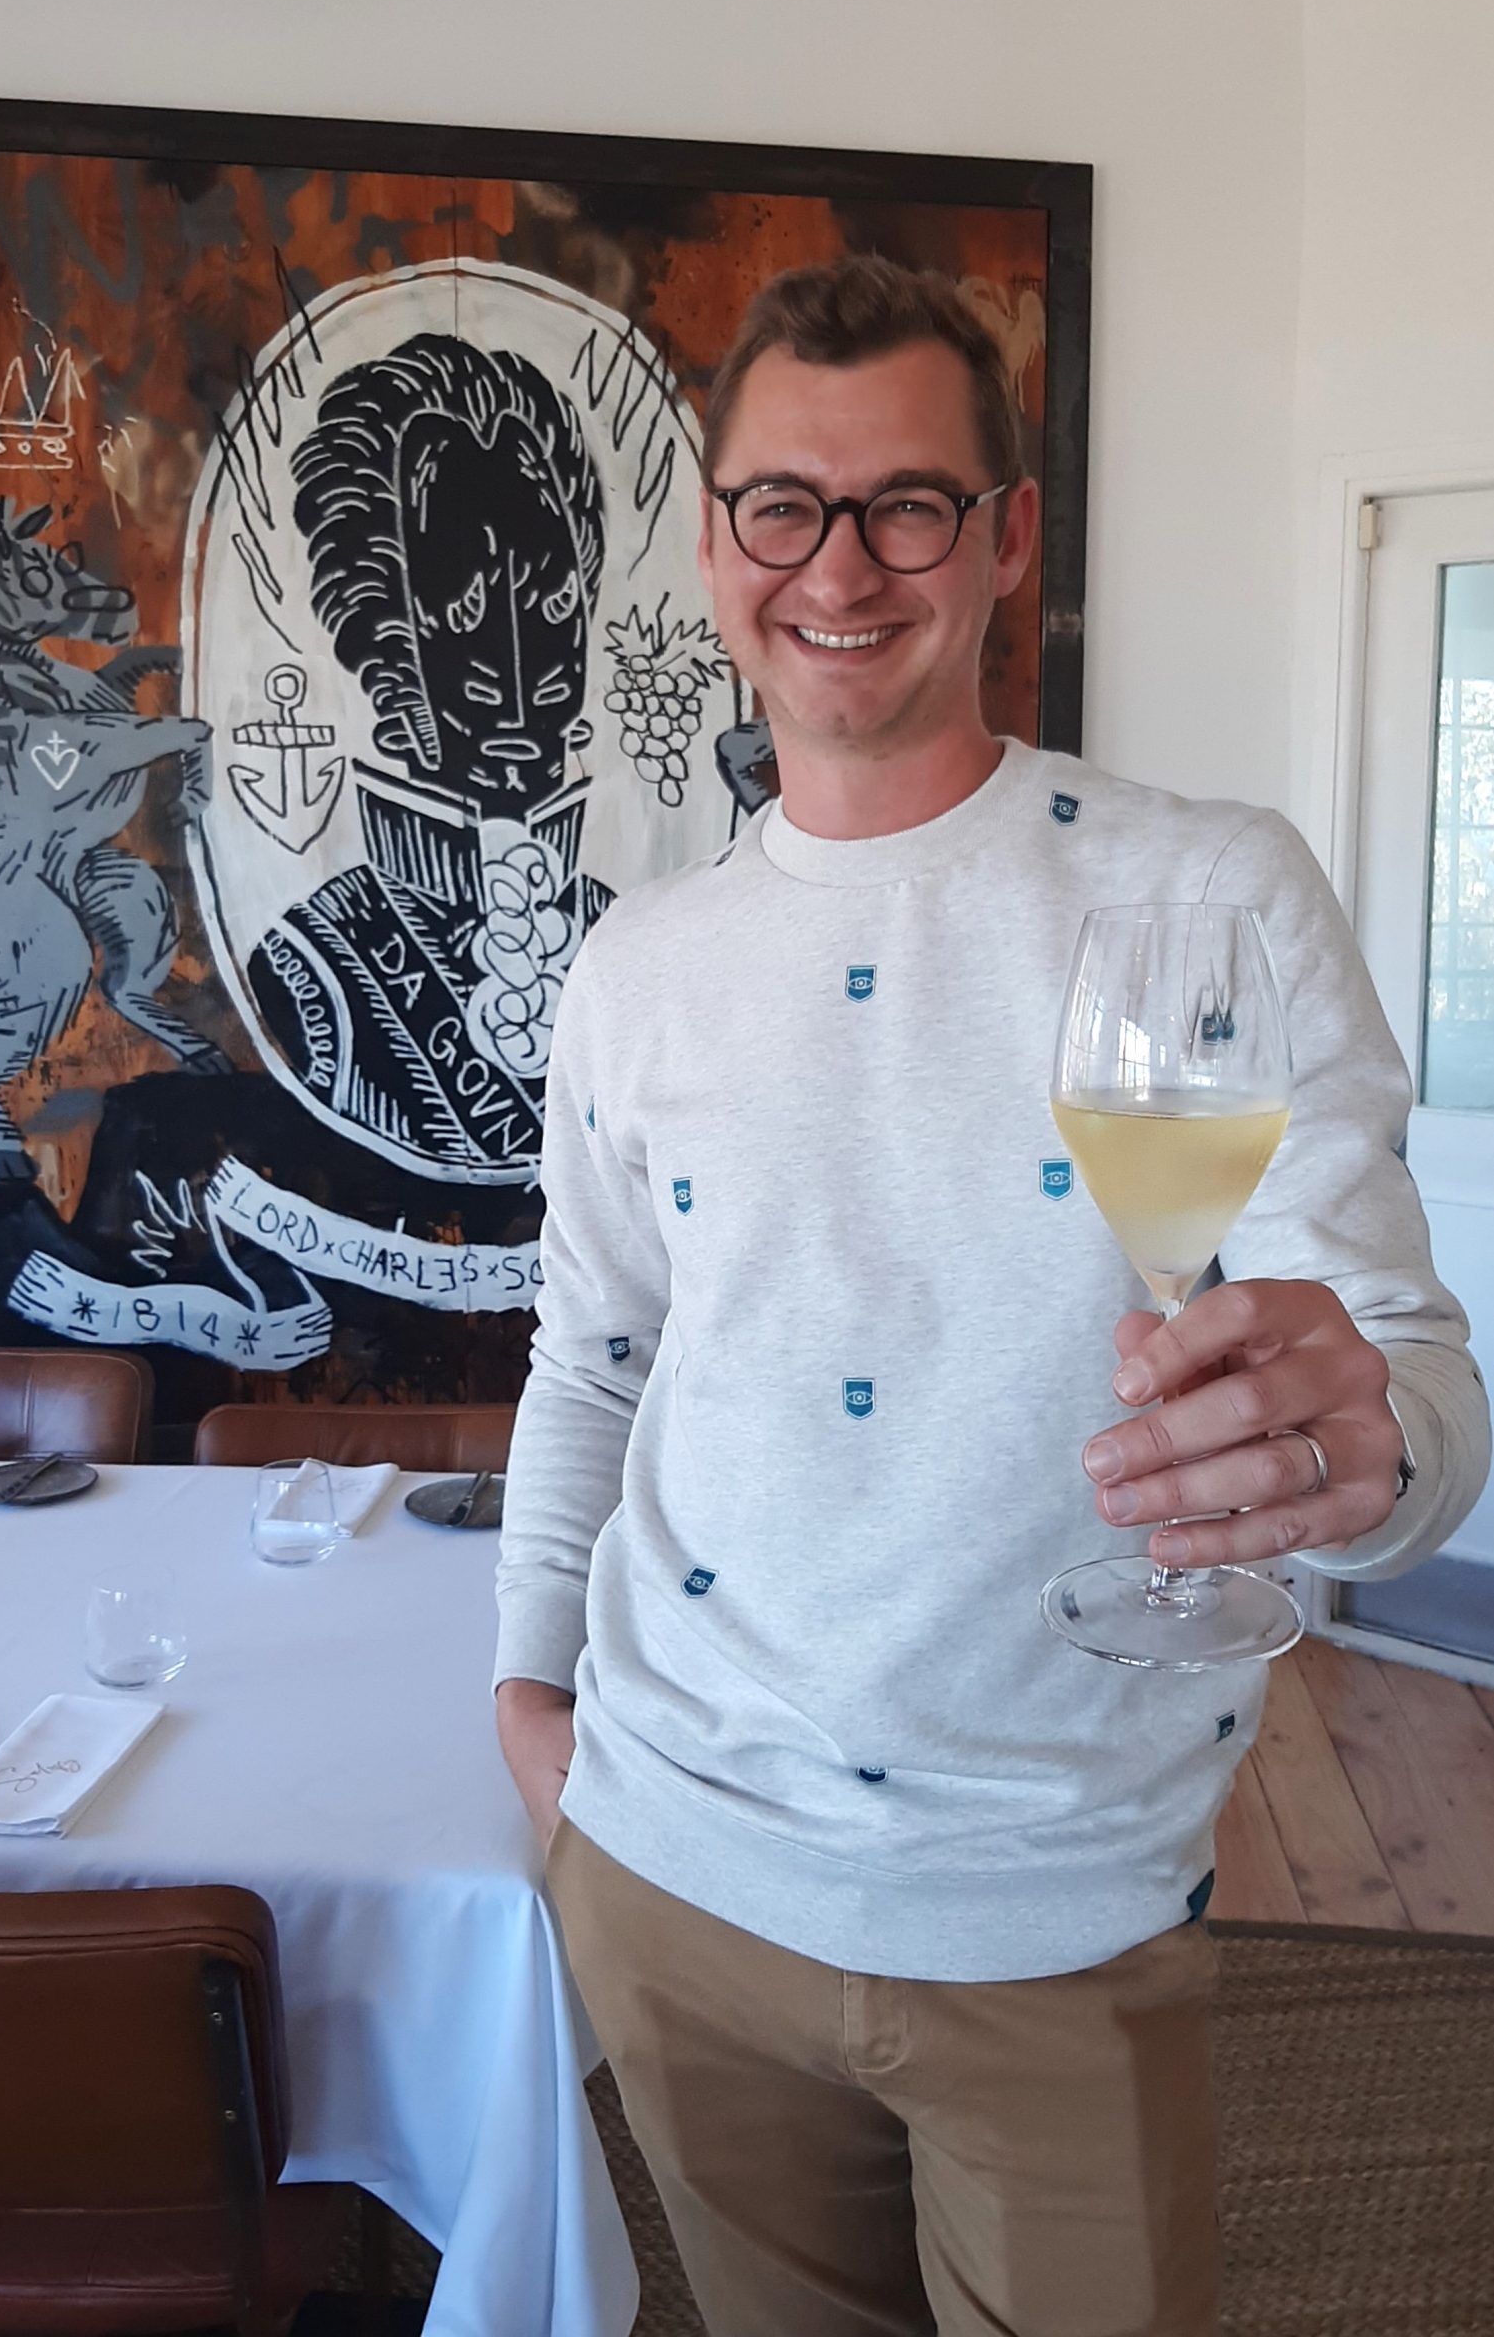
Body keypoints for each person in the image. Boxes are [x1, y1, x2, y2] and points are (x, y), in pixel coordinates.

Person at [492, 255, 1489, 2337]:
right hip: (671, 1867)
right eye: (784, 504)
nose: (838, 567)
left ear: (1006, 536)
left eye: (909, 505)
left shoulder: (1206, 887)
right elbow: (590, 1358)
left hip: (1057, 1899)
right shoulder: (634, 964)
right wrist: (531, 1700)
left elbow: (1393, 1367)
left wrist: (1375, 1457)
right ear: (713, 543)